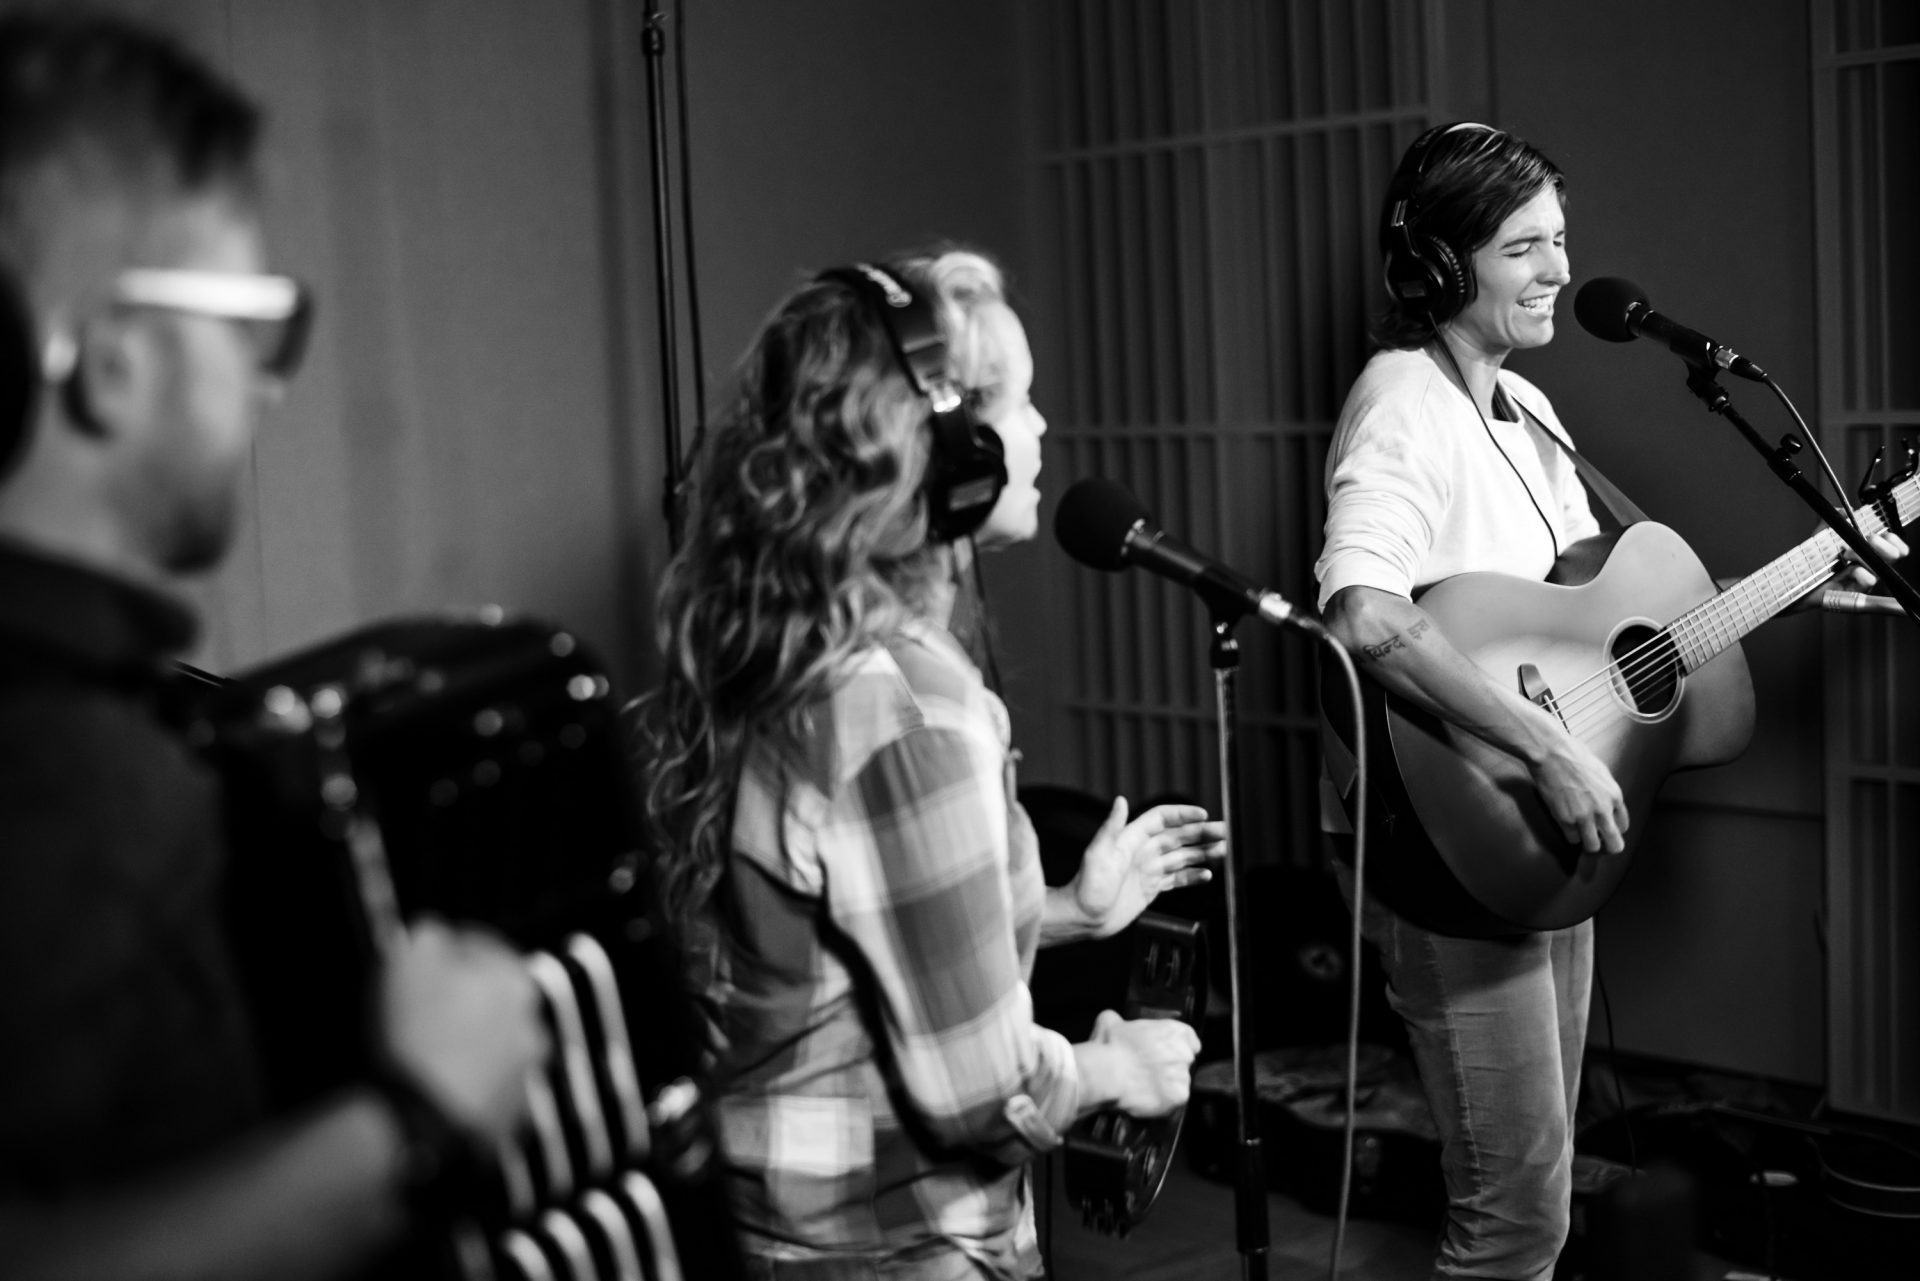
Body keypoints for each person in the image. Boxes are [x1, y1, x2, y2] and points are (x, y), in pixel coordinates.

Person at [0, 12, 543, 1279]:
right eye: (254, 323)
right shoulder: (74, 792)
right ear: (111, 362)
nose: (270, 383)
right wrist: (420, 1121)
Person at [1315, 123, 1900, 1280]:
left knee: (1540, 1200)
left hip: (1539, 826)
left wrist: (1823, 572)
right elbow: (1364, 616)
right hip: (1449, 832)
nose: (1558, 272)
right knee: (1513, 1218)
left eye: (1562, 241)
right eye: (1525, 246)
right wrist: (1547, 749)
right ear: (1439, 262)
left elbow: (1617, 621)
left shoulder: (1531, 416)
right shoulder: (1401, 401)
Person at [639, 249, 1222, 1280]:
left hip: (768, 1228)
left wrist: (1066, 911)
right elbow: (979, 1092)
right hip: (885, 1247)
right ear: (941, 450)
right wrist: (1110, 1068)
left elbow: (834, 957)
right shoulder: (913, 709)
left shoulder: (789, 646)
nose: (1043, 429)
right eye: (1017, 403)